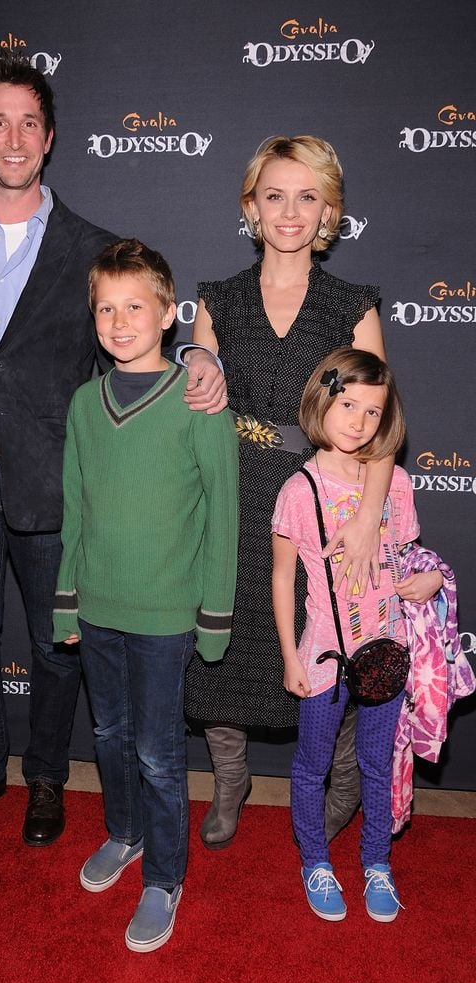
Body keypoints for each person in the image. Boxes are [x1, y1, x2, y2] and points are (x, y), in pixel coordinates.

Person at [0, 51, 224, 845]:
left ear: (49, 137)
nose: (13, 137)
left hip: (56, 481)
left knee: (55, 643)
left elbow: (136, 330)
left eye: (29, 122)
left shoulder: (93, 246)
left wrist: (198, 356)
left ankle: (45, 778)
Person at [182, 135, 393, 850]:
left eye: (309, 196)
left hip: (325, 499)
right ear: (251, 206)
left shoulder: (351, 306)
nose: (291, 211)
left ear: (330, 210)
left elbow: (381, 425)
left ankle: (342, 783)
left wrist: (367, 519)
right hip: (234, 494)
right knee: (223, 644)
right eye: (275, 195)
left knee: (328, 641)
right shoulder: (219, 300)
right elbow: (197, 412)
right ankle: (230, 776)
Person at [53, 239, 238, 952]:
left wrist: (213, 619)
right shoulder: (82, 404)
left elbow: (223, 516)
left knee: (160, 754)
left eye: (135, 306)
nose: (120, 321)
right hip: (98, 609)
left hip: (167, 618)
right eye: (106, 308)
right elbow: (76, 509)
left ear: (169, 315)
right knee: (106, 735)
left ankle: (164, 875)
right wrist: (66, 600)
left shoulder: (199, 402)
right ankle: (124, 833)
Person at [271, 347, 442, 922]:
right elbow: (280, 574)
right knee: (313, 763)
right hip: (322, 653)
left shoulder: (395, 485)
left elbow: (409, 555)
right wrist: (290, 653)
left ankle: (376, 864)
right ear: (322, 401)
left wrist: (425, 579)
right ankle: (315, 861)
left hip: (386, 648)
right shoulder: (299, 491)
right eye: (348, 405)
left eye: (373, 412)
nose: (359, 422)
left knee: (376, 762)